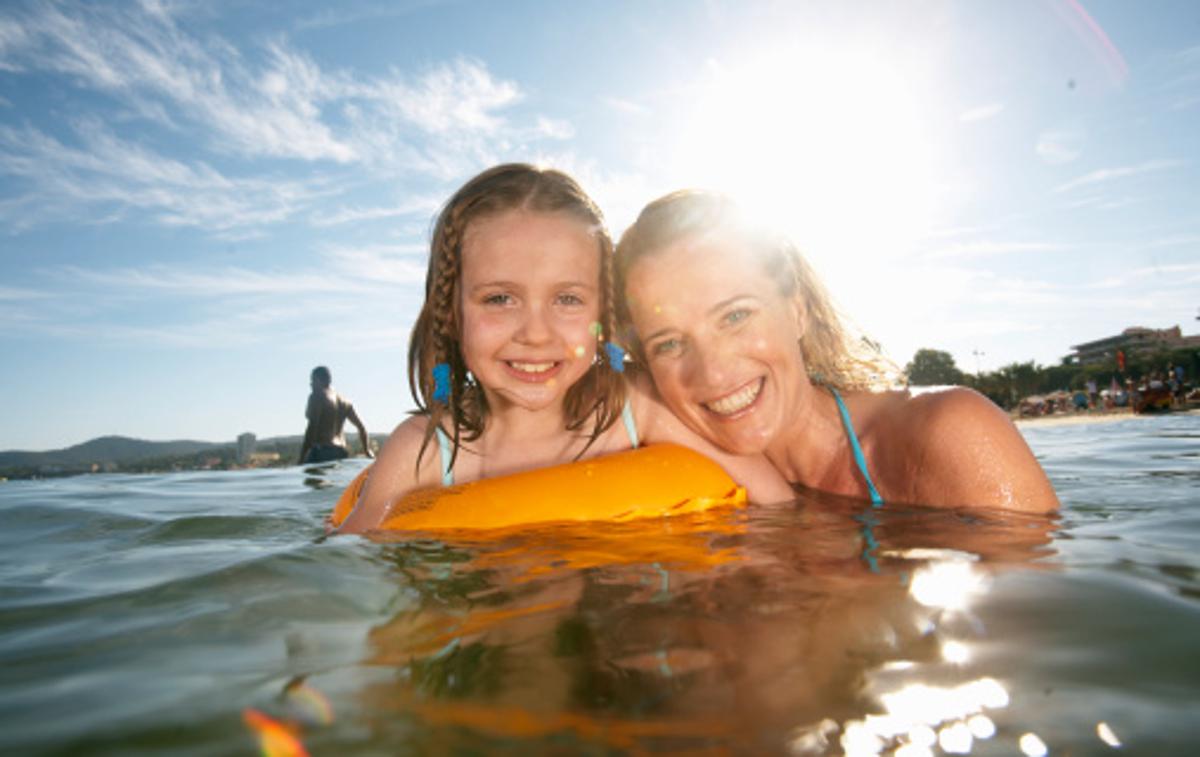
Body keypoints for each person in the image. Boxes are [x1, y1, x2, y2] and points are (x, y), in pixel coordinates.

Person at [338, 166, 789, 534]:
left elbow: (778, 505)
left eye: (567, 299)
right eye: (500, 298)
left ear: (602, 315)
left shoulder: (635, 406)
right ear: (452, 314)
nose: (536, 333)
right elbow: (350, 572)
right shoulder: (426, 451)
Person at [614, 190, 1059, 513]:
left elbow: (1036, 625)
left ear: (797, 310)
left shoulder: (949, 434)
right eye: (669, 343)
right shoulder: (702, 476)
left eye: (735, 316)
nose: (712, 374)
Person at [299, 366, 373, 464]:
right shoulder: (345, 402)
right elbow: (361, 427)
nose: (311, 384)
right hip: (341, 451)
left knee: (312, 479)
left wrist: (301, 458)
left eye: (313, 380)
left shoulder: (317, 396)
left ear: (322, 380)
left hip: (322, 451)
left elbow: (311, 428)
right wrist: (367, 451)